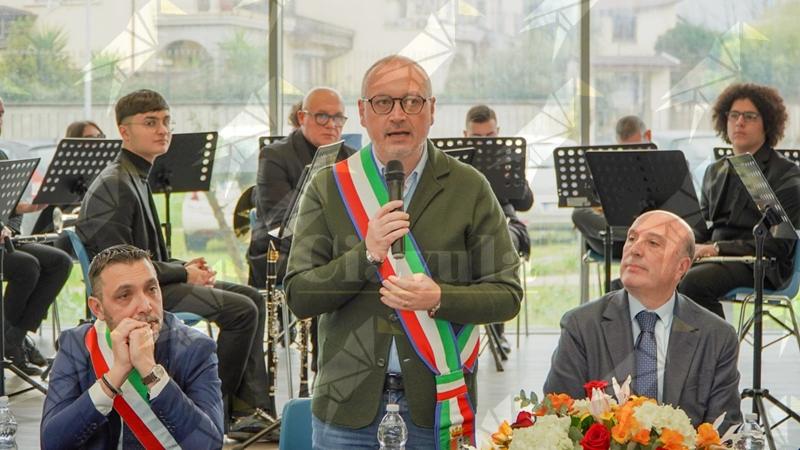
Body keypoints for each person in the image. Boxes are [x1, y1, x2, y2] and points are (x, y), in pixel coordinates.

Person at [285, 55, 522, 449]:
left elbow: (507, 295)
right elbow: (299, 296)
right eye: (383, 102)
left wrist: (440, 298)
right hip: (347, 407)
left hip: (437, 405)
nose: (398, 115)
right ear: (363, 112)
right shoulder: (329, 187)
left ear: (431, 111)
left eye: (412, 102)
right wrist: (367, 255)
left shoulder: (469, 187)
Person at [75, 89, 271, 438]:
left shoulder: (133, 175)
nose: (163, 129)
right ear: (124, 131)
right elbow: (119, 266)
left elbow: (144, 254)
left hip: (157, 284)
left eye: (166, 121)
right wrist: (183, 272)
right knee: (242, 311)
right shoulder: (116, 185)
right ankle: (210, 408)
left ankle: (250, 411)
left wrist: (184, 265)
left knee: (253, 299)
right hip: (139, 297)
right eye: (151, 122)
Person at [544, 210, 742, 432]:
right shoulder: (581, 326)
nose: (635, 249)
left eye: (653, 243)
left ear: (682, 267)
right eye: (632, 238)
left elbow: (724, 433)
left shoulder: (717, 336)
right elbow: (556, 421)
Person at [41, 244, 223, 449]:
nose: (146, 306)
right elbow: (52, 442)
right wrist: (114, 377)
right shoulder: (76, 345)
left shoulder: (195, 348)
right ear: (98, 308)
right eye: (125, 295)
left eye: (151, 289)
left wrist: (151, 373)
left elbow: (208, 445)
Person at [679, 83, 800, 318]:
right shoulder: (715, 171)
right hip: (717, 260)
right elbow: (702, 228)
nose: (739, 122)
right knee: (643, 278)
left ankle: (717, 353)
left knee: (694, 283)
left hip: (764, 265)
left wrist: (716, 249)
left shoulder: (786, 174)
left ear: (768, 123)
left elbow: (779, 245)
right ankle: (664, 353)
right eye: (733, 115)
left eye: (749, 116)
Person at [249, 87, 356, 288]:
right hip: (280, 253)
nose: (332, 125)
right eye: (322, 116)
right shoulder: (274, 156)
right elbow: (280, 222)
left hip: (333, 249)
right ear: (301, 117)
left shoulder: (350, 156)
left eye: (339, 118)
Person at [0, 96, 73, 376]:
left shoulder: (1, 156)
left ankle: (12, 338)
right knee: (27, 266)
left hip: (4, 241)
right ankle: (11, 342)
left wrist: (27, 207)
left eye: (2, 114)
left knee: (59, 261)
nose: (0, 120)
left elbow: (6, 204)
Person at [463, 104, 533, 353]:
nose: (484, 143)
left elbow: (525, 203)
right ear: (465, 136)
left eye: (489, 137)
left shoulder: (507, 157)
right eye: (476, 138)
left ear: (498, 133)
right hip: (468, 229)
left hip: (507, 225)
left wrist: (513, 174)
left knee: (498, 245)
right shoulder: (457, 163)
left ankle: (497, 329)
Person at [571, 115, 653, 259]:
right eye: (624, 148)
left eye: (635, 147)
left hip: (650, 236)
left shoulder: (666, 166)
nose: (630, 154)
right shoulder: (611, 166)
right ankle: (631, 234)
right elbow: (593, 201)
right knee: (578, 214)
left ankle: (634, 234)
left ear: (648, 136)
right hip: (613, 240)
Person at [32, 120, 107, 235]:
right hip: (59, 227)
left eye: (99, 137)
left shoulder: (105, 169)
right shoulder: (64, 169)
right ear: (75, 142)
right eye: (89, 138)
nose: (97, 142)